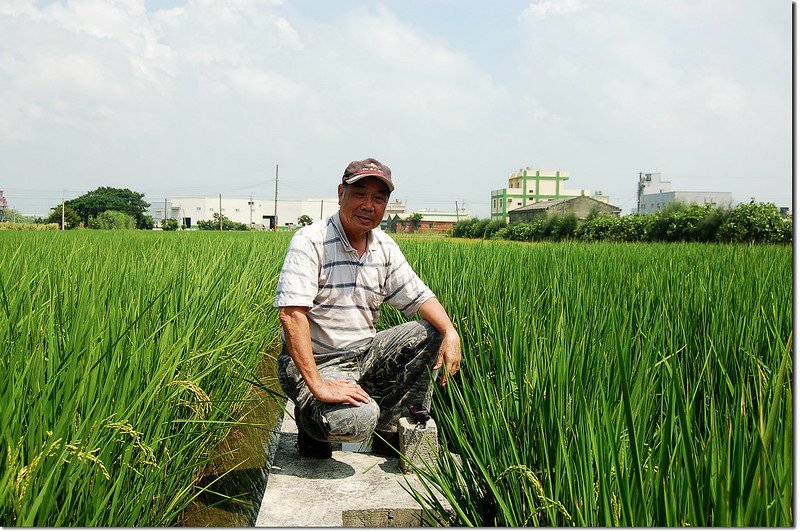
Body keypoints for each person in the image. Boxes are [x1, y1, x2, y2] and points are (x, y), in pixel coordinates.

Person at [274, 157, 462, 459]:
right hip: (320, 359)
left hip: (364, 353)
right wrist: (319, 385)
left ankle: (387, 435)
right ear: (340, 194)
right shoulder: (311, 241)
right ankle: (311, 420)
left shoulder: (383, 247)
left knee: (431, 332)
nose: (368, 205)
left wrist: (451, 331)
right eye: (360, 193)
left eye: (378, 197)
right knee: (357, 419)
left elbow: (418, 296)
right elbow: (291, 315)